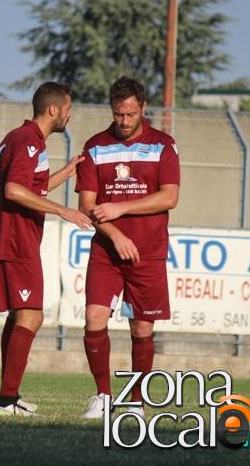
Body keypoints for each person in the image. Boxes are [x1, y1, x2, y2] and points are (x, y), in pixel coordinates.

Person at [0, 81, 92, 416]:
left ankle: (9, 396)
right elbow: (14, 190)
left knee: (20, 314)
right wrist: (64, 211)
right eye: (68, 109)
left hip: (10, 238)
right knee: (31, 314)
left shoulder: (19, 137)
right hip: (15, 240)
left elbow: (32, 187)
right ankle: (6, 400)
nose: (70, 115)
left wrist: (67, 172)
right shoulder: (29, 141)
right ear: (53, 109)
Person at [75, 76, 180, 419]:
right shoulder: (95, 146)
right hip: (106, 251)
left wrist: (120, 208)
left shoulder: (163, 145)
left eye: (130, 114)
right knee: (94, 318)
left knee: (142, 328)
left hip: (148, 251)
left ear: (143, 108)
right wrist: (115, 235)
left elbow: (170, 197)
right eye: (118, 114)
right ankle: (103, 396)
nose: (123, 121)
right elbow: (86, 205)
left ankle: (136, 401)